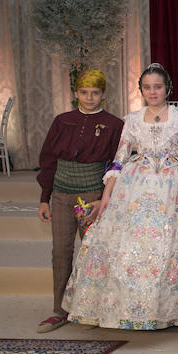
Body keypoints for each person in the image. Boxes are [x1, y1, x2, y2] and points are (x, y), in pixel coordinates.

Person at [62, 63, 178, 330]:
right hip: (134, 185)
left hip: (172, 185)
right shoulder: (131, 119)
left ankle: (170, 310)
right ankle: (125, 308)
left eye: (158, 87)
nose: (153, 92)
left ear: (167, 88)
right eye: (147, 87)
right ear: (141, 90)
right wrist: (107, 196)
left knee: (171, 248)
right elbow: (118, 160)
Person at [35, 69, 123, 332]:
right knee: (60, 252)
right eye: (83, 92)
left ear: (103, 95)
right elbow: (48, 161)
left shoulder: (114, 124)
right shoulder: (63, 121)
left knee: (93, 253)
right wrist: (44, 199)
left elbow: (118, 165)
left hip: (92, 197)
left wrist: (105, 198)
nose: (89, 97)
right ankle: (59, 310)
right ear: (75, 94)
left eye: (95, 93)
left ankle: (92, 308)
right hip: (62, 195)